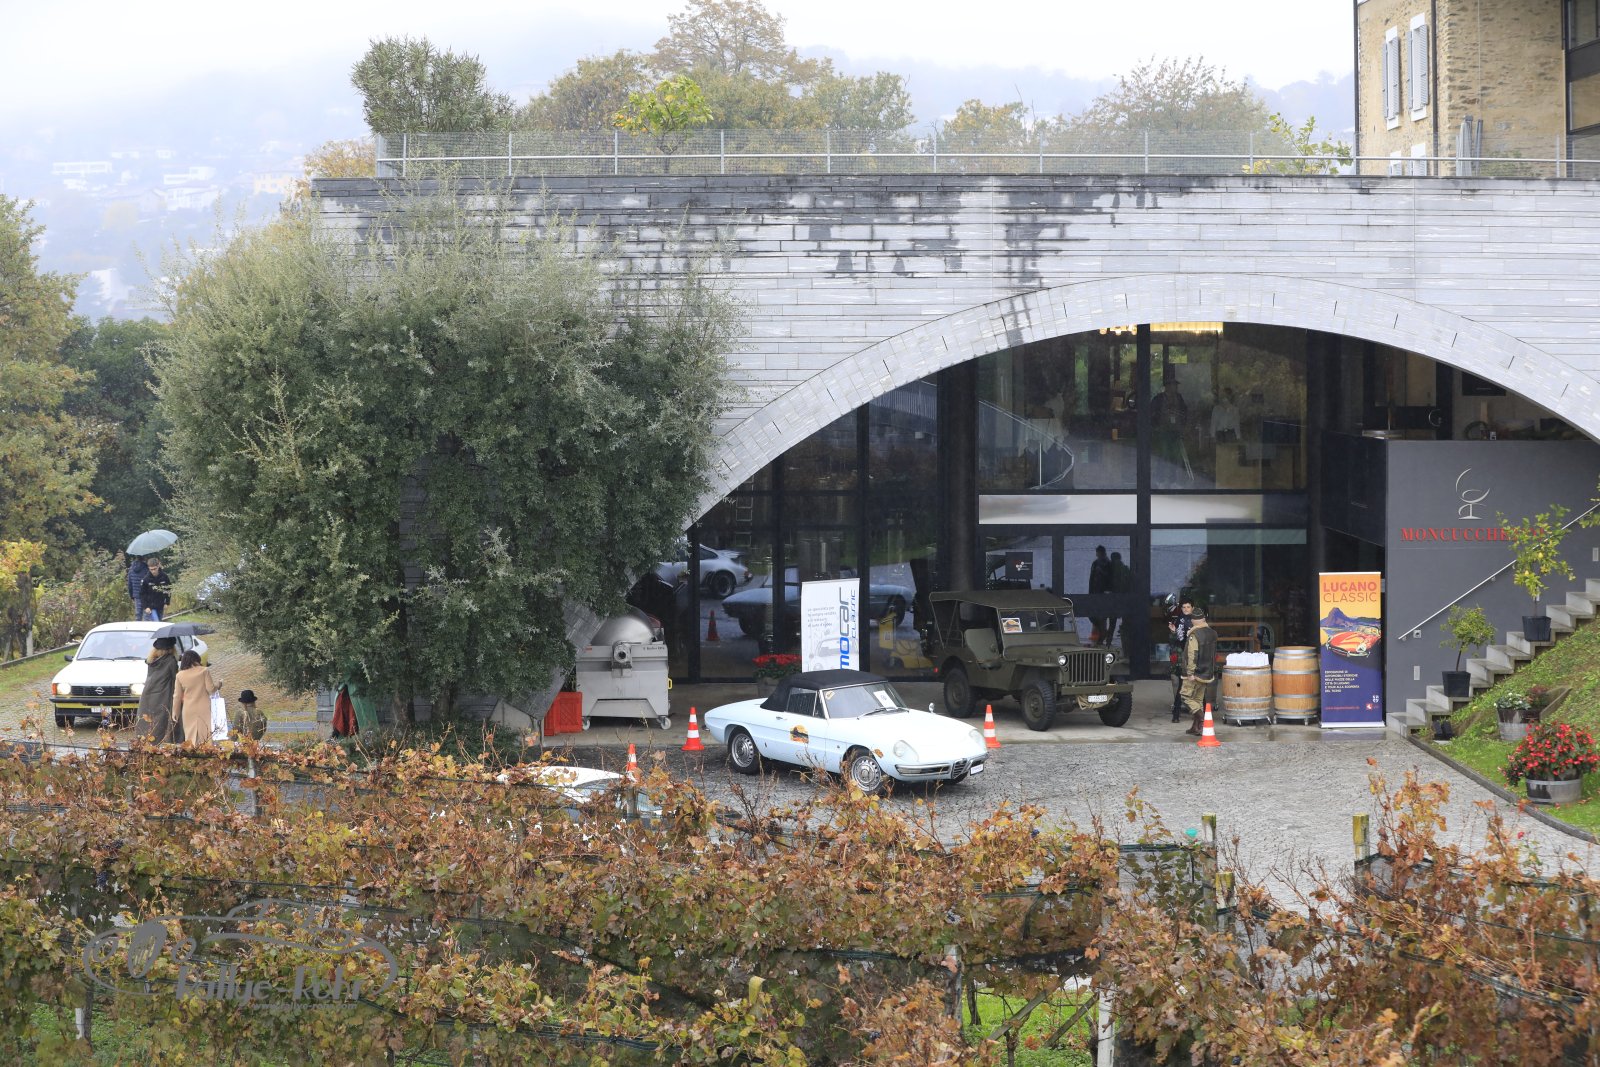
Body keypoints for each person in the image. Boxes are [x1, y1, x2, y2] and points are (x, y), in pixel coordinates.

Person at [133, 637, 182, 742]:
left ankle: (144, 741)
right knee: (161, 721)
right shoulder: (171, 661)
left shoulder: (151, 661)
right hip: (163, 695)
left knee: (147, 719)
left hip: (148, 694)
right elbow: (176, 678)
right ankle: (161, 742)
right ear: (171, 648)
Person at [1181, 607, 1218, 736]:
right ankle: (1196, 727)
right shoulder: (1212, 633)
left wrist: (1190, 673)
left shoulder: (1194, 635)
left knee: (1186, 697)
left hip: (1195, 673)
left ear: (1193, 620)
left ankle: (1202, 719)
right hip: (1206, 672)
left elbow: (1193, 654)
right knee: (1198, 700)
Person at [172, 648, 221, 744]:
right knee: (206, 735)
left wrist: (175, 712)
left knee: (190, 736)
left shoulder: (179, 675)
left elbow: (177, 696)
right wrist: (219, 685)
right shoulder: (204, 671)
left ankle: (191, 752)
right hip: (204, 708)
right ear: (196, 659)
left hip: (188, 709)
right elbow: (211, 689)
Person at [1167, 597, 1195, 723]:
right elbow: (1175, 641)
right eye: (1184, 607)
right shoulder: (1179, 620)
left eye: (1188, 607)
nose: (1186, 609)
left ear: (1192, 608)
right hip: (1182, 656)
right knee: (1181, 685)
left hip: (1194, 656)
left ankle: (1201, 713)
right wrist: (1173, 632)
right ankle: (1176, 714)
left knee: (1198, 685)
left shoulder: (1196, 620)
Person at [1106, 551, 1133, 646]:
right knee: (1126, 624)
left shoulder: (1110, 570)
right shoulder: (1125, 569)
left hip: (1114, 600)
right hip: (1124, 600)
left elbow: (1107, 586)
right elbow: (1130, 584)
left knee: (1112, 624)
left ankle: (1108, 643)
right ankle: (1127, 644)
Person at [1087, 546, 1113, 643]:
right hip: (1102, 594)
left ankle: (1097, 638)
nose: (1097, 554)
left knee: (1097, 617)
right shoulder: (1107, 563)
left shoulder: (1097, 564)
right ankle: (1100, 638)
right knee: (1101, 618)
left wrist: (1090, 593)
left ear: (1099, 553)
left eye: (1097, 552)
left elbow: (1092, 580)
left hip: (1097, 594)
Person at [127, 554, 149, 621]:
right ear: (144, 558)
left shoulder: (131, 569)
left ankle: (137, 626)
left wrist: (131, 596)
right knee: (146, 614)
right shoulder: (146, 568)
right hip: (146, 594)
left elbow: (129, 584)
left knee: (138, 614)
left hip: (136, 595)